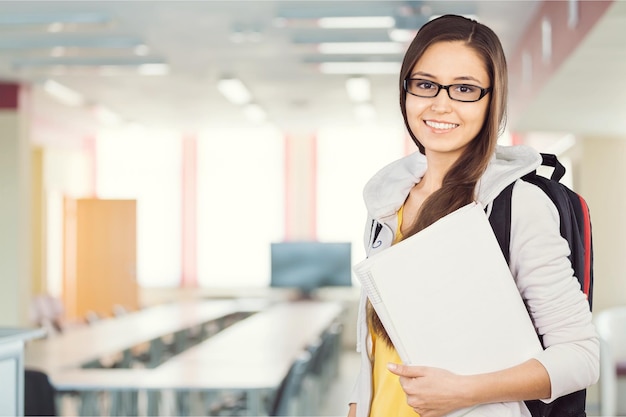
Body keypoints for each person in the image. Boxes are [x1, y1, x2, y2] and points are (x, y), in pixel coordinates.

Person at [347, 14, 599, 417]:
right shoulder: (385, 205)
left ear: (490, 99)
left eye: (464, 89)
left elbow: (581, 356)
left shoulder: (518, 205)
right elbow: (374, 352)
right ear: (406, 91)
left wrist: (465, 391)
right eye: (426, 84)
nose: (440, 104)